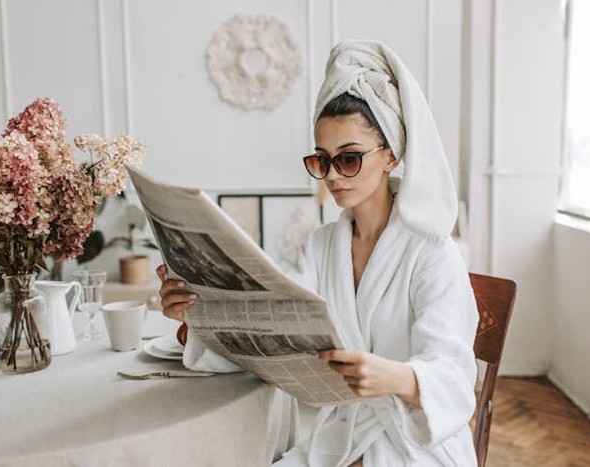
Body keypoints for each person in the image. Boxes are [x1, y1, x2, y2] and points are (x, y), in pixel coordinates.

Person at [158, 41, 478, 466]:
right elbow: (272, 336)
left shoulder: (433, 252)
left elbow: (454, 376)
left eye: (349, 159)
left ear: (390, 156)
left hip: (416, 449)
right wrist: (194, 319)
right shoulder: (321, 246)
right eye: (322, 161)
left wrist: (398, 377)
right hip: (342, 438)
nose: (332, 176)